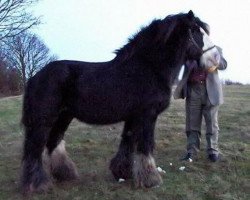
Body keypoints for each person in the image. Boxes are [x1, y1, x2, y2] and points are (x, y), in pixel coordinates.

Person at [173, 46, 227, 162]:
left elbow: (224, 65)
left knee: (212, 123)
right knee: (192, 123)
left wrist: (215, 61)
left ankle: (213, 151)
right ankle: (191, 151)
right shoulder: (188, 50)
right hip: (193, 89)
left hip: (211, 90)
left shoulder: (215, 49)